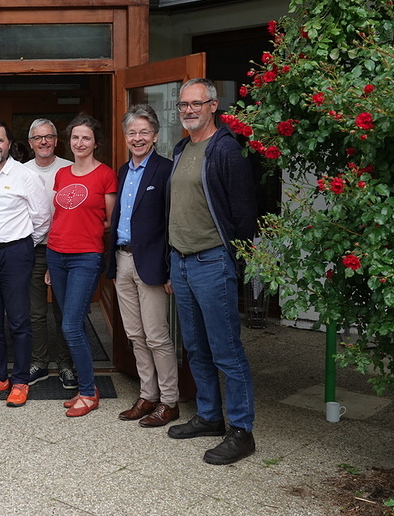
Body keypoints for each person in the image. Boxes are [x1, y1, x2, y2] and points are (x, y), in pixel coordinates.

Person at [165, 78, 258, 465]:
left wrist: (230, 261)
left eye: (196, 104)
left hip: (212, 261)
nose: (188, 110)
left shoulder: (226, 150)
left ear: (213, 105)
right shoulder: (182, 147)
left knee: (226, 350)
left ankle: (241, 430)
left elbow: (244, 214)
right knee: (196, 348)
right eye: (183, 104)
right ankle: (209, 416)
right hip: (181, 262)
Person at [0, 118, 51, 408]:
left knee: (18, 319)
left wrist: (22, 244)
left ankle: (20, 381)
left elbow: (41, 218)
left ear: (9, 143)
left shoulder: (24, 175)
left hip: (16, 253)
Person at [108, 104, 180, 428]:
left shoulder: (166, 170)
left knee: (157, 336)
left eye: (144, 132)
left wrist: (169, 269)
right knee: (135, 335)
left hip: (151, 265)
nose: (137, 138)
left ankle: (170, 401)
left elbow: (171, 223)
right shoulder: (123, 171)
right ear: (125, 136)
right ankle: (147, 394)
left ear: (155, 135)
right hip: (122, 260)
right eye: (132, 132)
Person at [46, 114, 117, 417]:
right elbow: (58, 216)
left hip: (85, 257)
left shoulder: (105, 175)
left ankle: (88, 391)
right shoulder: (62, 174)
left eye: (86, 137)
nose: (80, 142)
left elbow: (110, 222)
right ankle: (84, 388)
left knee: (72, 325)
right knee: (68, 321)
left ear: (95, 142)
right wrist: (51, 263)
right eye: (75, 137)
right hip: (56, 254)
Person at [24, 118, 76, 390]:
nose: (43, 142)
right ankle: (39, 362)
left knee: (64, 311)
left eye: (48, 137)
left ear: (56, 140)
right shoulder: (21, 171)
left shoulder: (70, 169)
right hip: (32, 249)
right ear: (30, 143)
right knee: (35, 312)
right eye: (38, 137)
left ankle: (66, 365)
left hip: (64, 249)